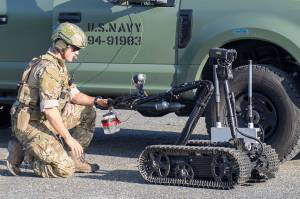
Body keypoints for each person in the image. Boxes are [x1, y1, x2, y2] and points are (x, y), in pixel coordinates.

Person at [6, 22, 108, 178]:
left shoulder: (58, 65)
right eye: (74, 48)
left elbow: (74, 95)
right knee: (64, 169)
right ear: (62, 44)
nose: (77, 53)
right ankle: (27, 154)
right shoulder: (49, 69)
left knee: (88, 111)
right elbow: (49, 110)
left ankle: (76, 159)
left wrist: (97, 101)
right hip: (29, 124)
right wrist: (69, 139)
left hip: (42, 119)